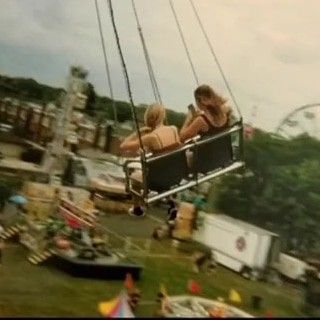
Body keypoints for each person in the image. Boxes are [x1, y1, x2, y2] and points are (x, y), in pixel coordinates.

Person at [120, 104, 181, 217]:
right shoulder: (174, 129)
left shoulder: (151, 137)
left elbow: (123, 146)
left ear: (148, 118)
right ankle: (171, 202)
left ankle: (137, 208)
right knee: (165, 168)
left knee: (134, 177)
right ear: (163, 116)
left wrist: (139, 131)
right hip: (176, 176)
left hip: (158, 180)